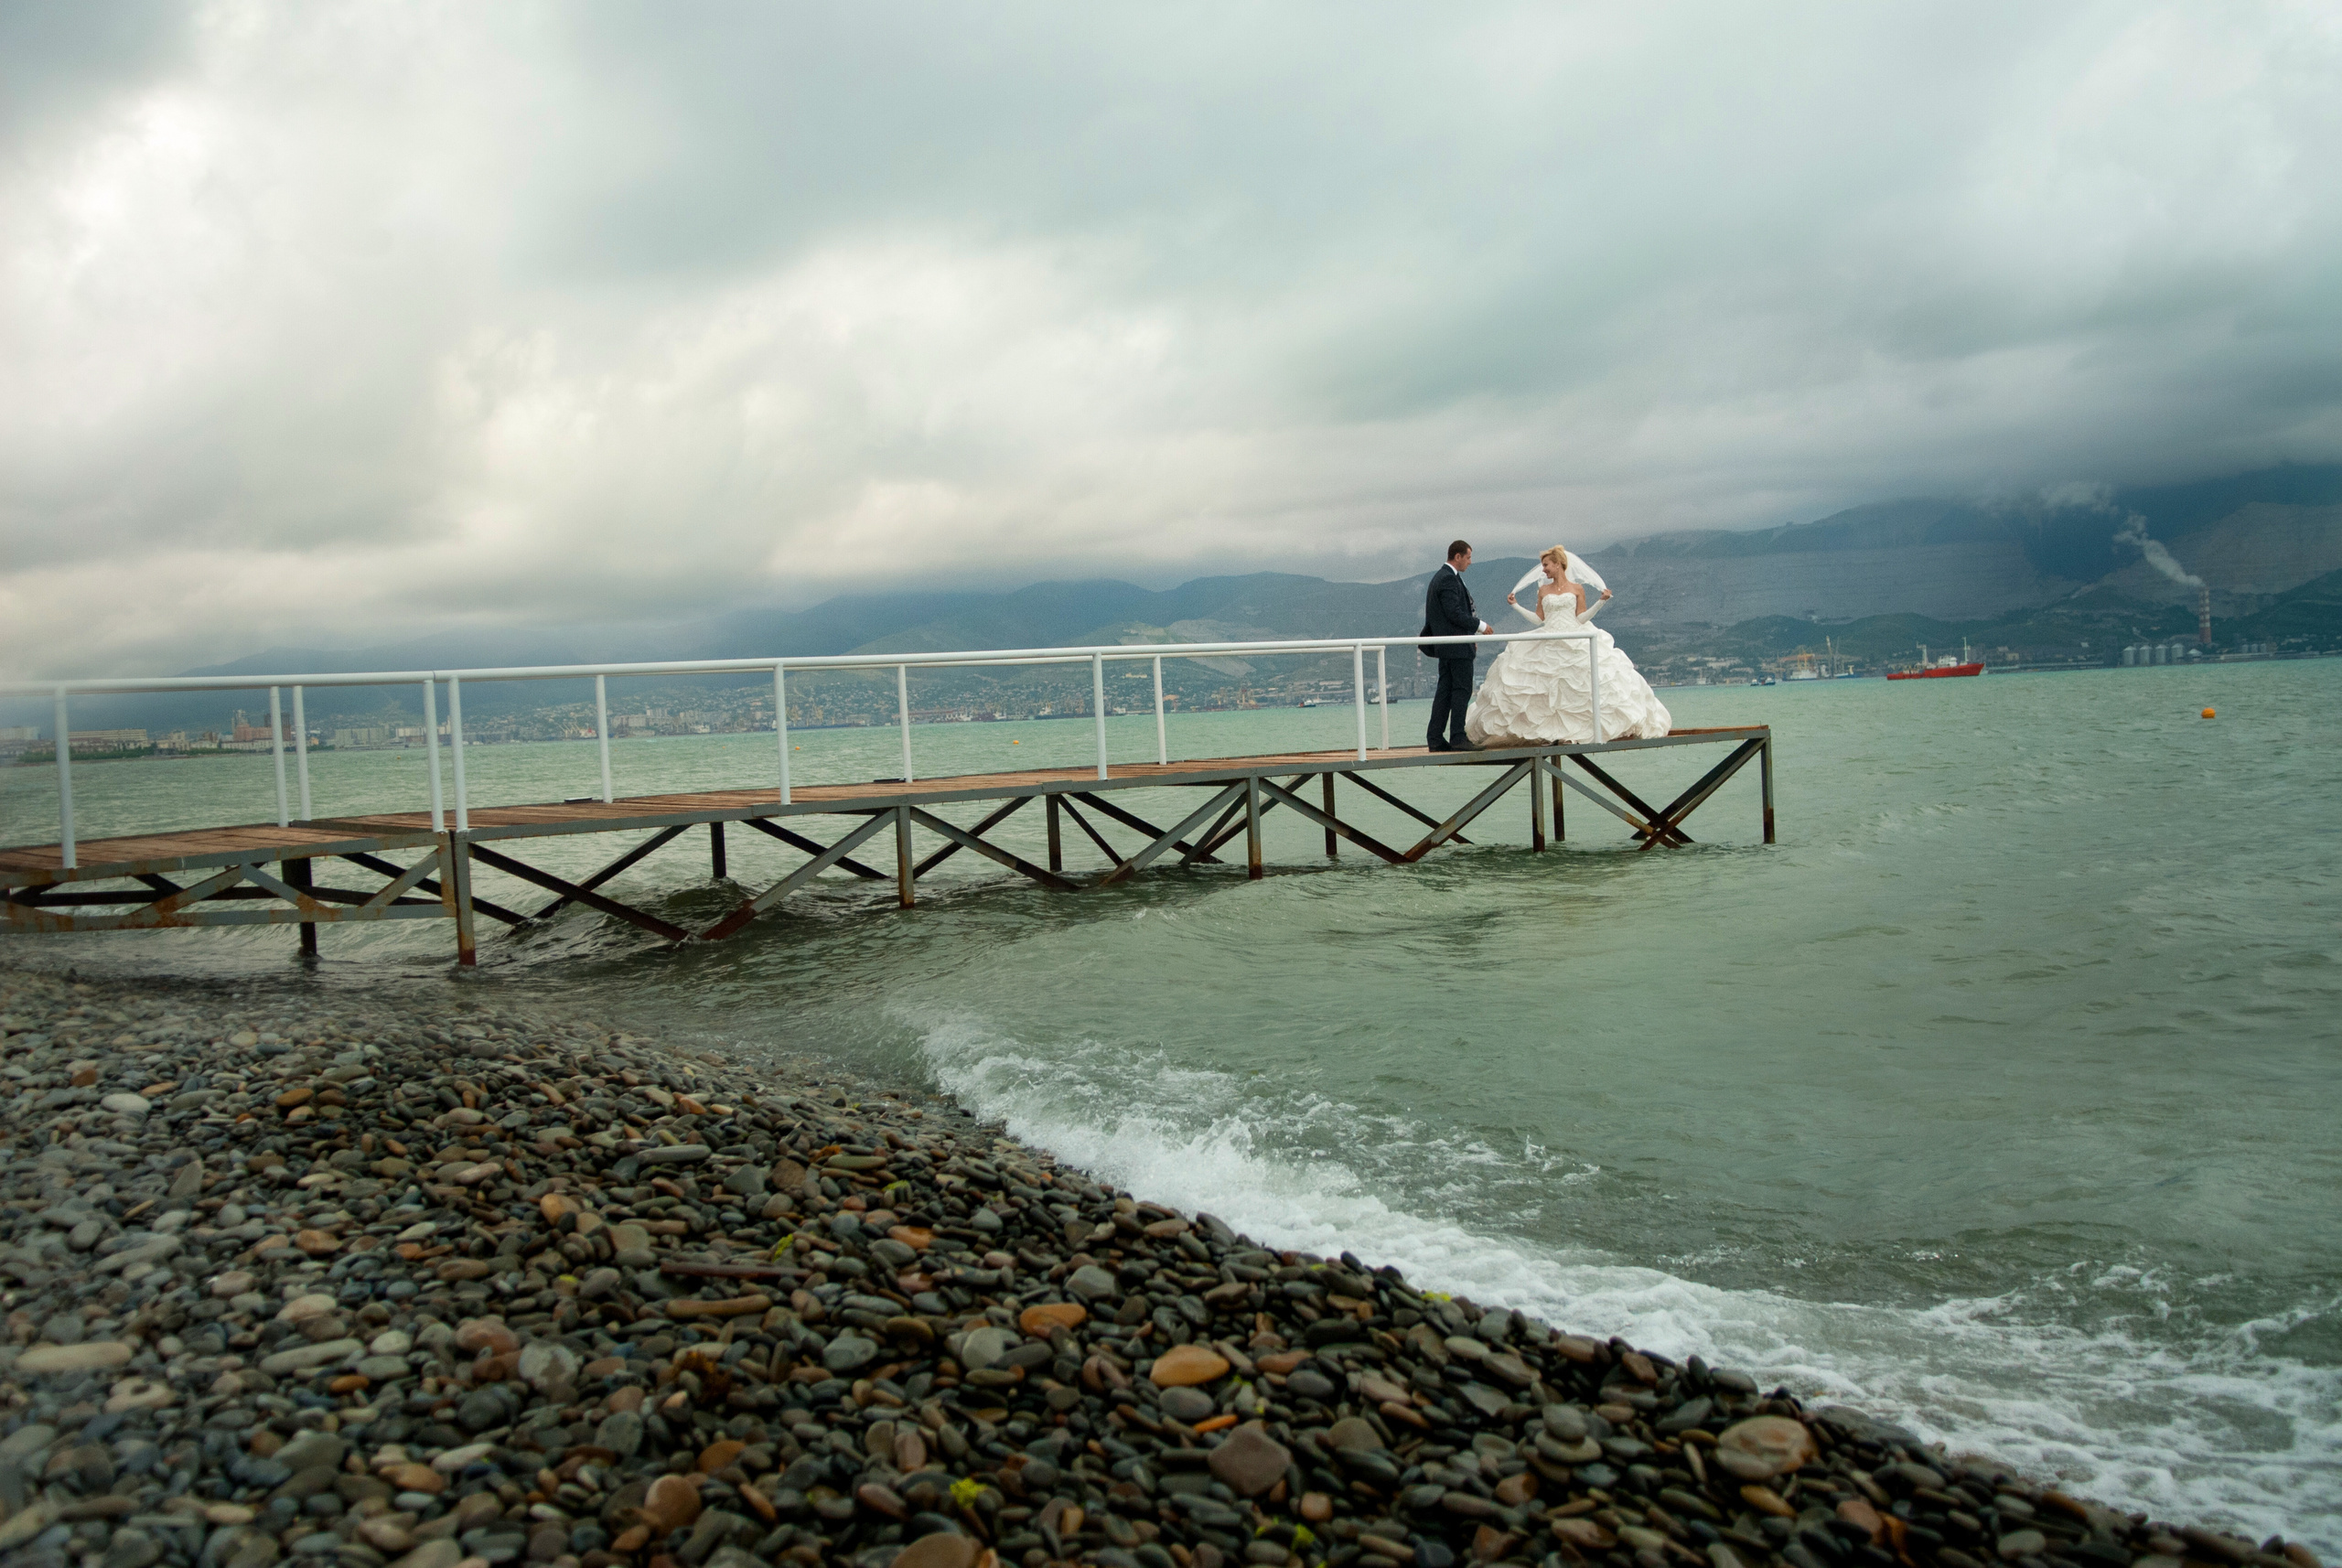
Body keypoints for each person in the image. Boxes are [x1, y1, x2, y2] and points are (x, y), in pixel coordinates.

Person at [1466, 545, 1671, 745]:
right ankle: (1547, 731)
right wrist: (1516, 606)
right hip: (1549, 637)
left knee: (1581, 684)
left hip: (1575, 636)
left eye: (1546, 565)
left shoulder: (1577, 588)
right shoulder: (1543, 590)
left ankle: (1583, 732)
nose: (1543, 569)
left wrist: (1601, 602)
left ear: (1558, 564)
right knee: (1543, 687)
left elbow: (1581, 618)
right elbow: (1539, 620)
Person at [1419, 539, 1493, 751]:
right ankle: (1458, 737)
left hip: (1448, 646)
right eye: (1468, 557)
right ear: (1457, 556)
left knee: (1444, 691)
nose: (1470, 562)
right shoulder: (1448, 579)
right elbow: (1454, 613)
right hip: (1456, 647)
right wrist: (1480, 626)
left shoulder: (1442, 578)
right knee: (1461, 691)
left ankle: (1435, 738)